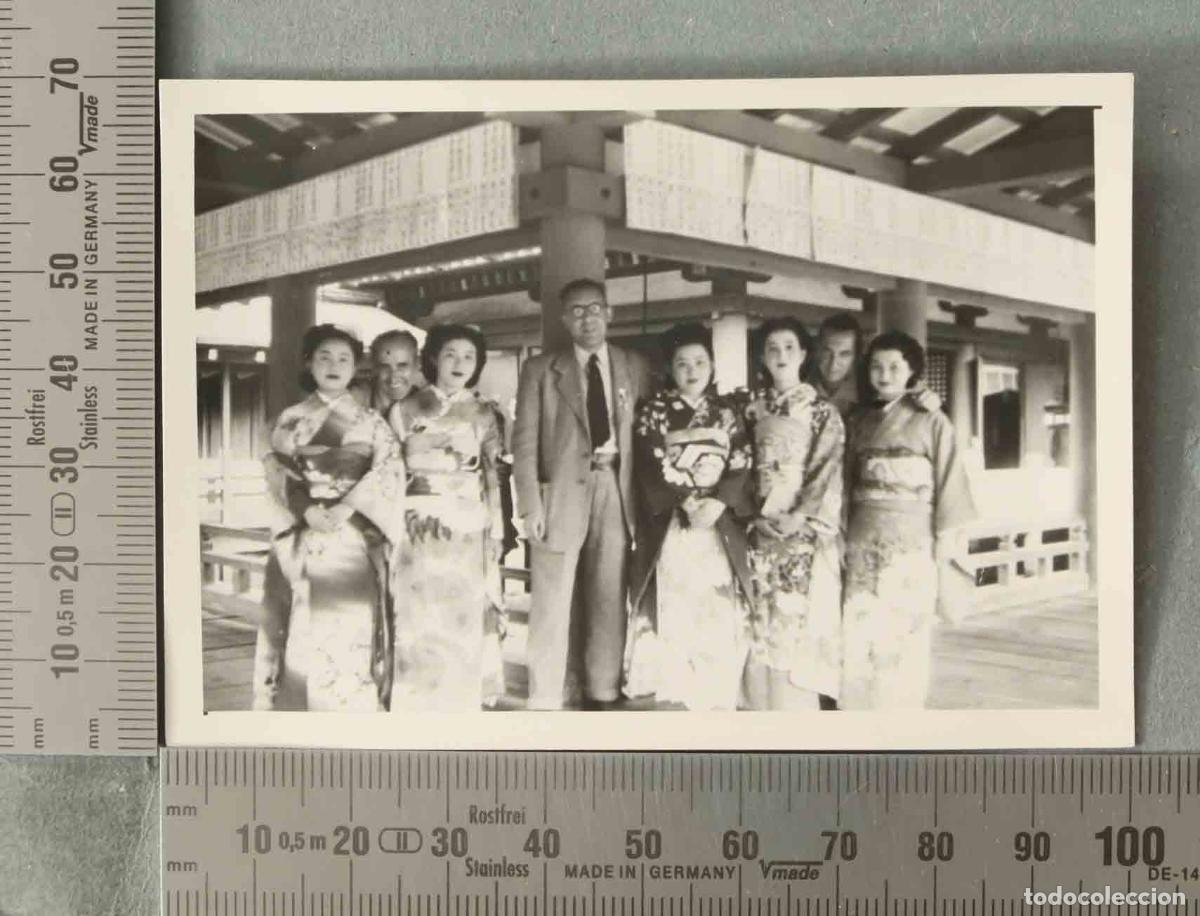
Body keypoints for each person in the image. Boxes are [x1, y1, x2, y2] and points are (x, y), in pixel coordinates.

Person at [512, 278, 653, 710]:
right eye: (576, 311)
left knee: (610, 593)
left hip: (616, 486)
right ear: (563, 319)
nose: (586, 318)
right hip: (560, 495)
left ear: (610, 314)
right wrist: (530, 506)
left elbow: (647, 438)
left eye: (595, 309)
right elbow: (524, 442)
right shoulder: (541, 370)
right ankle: (545, 695)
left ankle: (602, 689)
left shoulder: (634, 365)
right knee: (552, 599)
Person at [252, 324, 405, 712]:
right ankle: (303, 708)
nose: (334, 366)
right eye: (324, 357)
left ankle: (349, 706)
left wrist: (345, 508)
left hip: (352, 534)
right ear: (309, 363)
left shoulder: (371, 421)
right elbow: (276, 474)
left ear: (356, 368)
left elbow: (387, 472)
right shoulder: (290, 419)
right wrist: (305, 510)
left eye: (344, 359)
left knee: (351, 624)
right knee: (302, 623)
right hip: (305, 532)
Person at [840, 331, 977, 709]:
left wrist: (944, 545)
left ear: (912, 371)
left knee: (904, 633)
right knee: (860, 630)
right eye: (877, 366)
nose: (884, 375)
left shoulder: (934, 421)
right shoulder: (859, 421)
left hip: (912, 545)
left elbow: (950, 484)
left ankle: (900, 714)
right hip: (862, 541)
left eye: (895, 367)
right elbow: (845, 484)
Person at [623, 324, 755, 710]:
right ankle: (676, 677)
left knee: (714, 594)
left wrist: (719, 501)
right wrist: (682, 499)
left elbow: (741, 459)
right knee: (676, 592)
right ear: (671, 369)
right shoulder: (656, 411)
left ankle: (716, 677)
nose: (692, 370)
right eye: (683, 364)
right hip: (675, 519)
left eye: (700, 362)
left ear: (713, 366)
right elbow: (650, 458)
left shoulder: (727, 411)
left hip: (716, 519)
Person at [387, 323, 507, 711]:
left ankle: (459, 701)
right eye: (451, 354)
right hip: (416, 523)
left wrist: (497, 530)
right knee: (417, 615)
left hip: (467, 526)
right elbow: (392, 474)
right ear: (434, 357)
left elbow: (491, 475)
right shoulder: (405, 409)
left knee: (461, 615)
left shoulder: (487, 413)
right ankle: (414, 701)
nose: (460, 363)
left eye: (469, 356)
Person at [741, 317, 845, 710]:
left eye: (789, 347)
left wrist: (801, 516)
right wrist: (753, 513)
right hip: (759, 527)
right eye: (772, 348)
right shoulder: (753, 411)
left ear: (803, 354)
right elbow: (742, 465)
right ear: (762, 356)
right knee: (758, 618)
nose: (781, 355)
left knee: (793, 620)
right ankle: (758, 711)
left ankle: (795, 714)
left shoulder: (822, 411)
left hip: (799, 533)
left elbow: (826, 469)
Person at [809, 313, 863, 418]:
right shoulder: (798, 382)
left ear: (856, 357)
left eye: (844, 354)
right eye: (827, 352)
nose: (833, 363)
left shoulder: (868, 392)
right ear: (817, 350)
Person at [360, 329, 423, 415]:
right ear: (375, 369)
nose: (393, 376)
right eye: (385, 367)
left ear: (417, 365)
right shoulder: (358, 399)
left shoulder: (426, 402)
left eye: (402, 366)